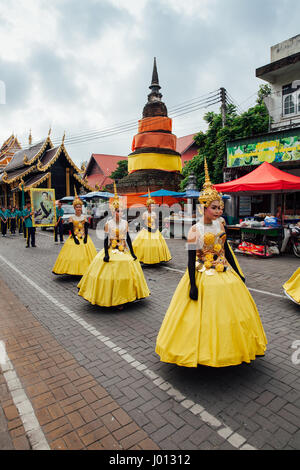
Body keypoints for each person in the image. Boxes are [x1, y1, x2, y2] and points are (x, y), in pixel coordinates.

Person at [155, 159, 267, 368]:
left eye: (220, 207)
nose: (218, 211)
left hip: (224, 272)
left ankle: (232, 349)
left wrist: (238, 272)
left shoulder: (221, 223)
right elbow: (189, 262)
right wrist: (193, 285)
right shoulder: (195, 230)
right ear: (204, 207)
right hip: (202, 273)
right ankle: (202, 353)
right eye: (214, 207)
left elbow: (227, 251)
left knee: (231, 315)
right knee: (203, 319)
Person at [77, 183, 150, 308]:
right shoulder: (108, 224)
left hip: (123, 249)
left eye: (121, 211)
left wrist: (132, 253)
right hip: (112, 249)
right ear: (113, 211)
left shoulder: (125, 223)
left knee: (128, 267)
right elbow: (105, 241)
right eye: (117, 211)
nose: (120, 213)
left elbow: (127, 238)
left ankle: (128, 296)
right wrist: (106, 254)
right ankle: (111, 298)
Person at [52, 191, 97, 275]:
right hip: (74, 237)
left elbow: (86, 229)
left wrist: (86, 237)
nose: (78, 208)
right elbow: (71, 229)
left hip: (83, 237)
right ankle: (72, 270)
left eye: (80, 207)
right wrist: (74, 237)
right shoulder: (71, 218)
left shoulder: (84, 217)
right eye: (77, 207)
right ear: (74, 208)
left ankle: (85, 271)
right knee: (73, 255)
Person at [132, 189, 172, 264]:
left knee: (156, 244)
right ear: (147, 206)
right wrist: (148, 228)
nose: (152, 207)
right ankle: (144, 257)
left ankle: (156, 258)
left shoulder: (154, 213)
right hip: (146, 229)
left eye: (153, 206)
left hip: (154, 230)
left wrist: (155, 228)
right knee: (145, 244)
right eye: (151, 206)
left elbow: (156, 222)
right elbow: (142, 223)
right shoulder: (144, 214)